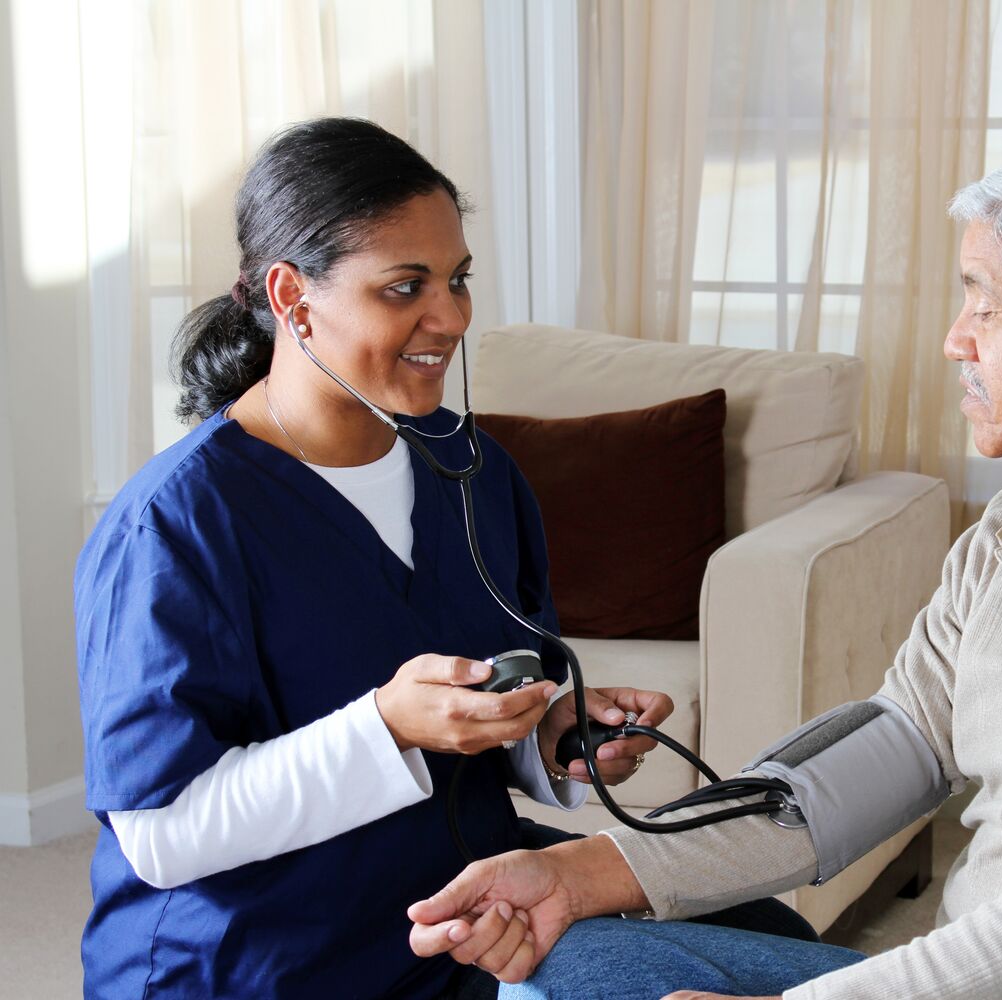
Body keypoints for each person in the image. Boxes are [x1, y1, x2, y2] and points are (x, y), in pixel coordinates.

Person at [406, 144, 1002, 998]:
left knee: (588, 971)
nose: (956, 338)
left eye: (983, 303)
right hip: (971, 966)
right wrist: (592, 866)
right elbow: (883, 755)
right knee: (575, 919)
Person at [76, 117, 691, 999]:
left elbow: (496, 688)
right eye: (405, 287)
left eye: (458, 280)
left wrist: (553, 737)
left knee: (762, 925)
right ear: (292, 296)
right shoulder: (175, 526)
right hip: (258, 958)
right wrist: (387, 724)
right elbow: (162, 834)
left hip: (458, 913)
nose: (451, 318)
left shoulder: (473, 471)